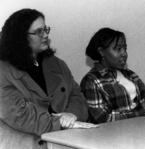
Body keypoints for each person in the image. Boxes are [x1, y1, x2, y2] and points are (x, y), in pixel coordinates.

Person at [0, 9, 89, 149]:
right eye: (39, 32)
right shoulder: (3, 70)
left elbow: (77, 96)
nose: (46, 35)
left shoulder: (57, 64)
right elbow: (18, 114)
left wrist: (72, 115)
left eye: (46, 29)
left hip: (63, 142)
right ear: (20, 37)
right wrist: (60, 122)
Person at [80, 28, 145, 124]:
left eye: (125, 48)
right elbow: (101, 118)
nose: (124, 53)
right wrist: (138, 113)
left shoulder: (130, 74)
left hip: (141, 127)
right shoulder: (92, 81)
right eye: (118, 49)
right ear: (101, 51)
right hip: (111, 135)